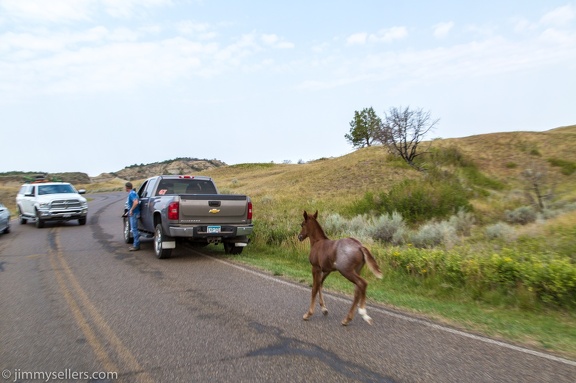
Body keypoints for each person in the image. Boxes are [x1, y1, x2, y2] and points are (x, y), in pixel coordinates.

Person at [125, 182, 141, 251]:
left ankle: (136, 245)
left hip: (134, 213)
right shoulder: (134, 193)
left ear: (127, 187)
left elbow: (136, 202)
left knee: (134, 229)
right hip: (134, 212)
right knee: (134, 229)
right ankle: (136, 244)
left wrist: (131, 210)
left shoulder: (132, 194)